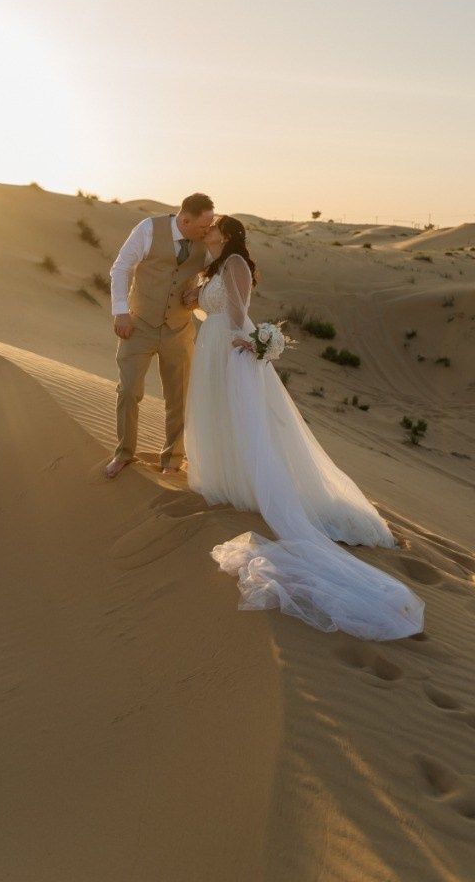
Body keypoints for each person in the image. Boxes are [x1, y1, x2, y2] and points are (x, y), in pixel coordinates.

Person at [184, 215, 424, 640]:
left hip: (229, 346)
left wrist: (248, 341)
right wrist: (195, 298)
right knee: (218, 415)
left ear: (228, 232)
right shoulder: (216, 264)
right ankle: (229, 478)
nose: (208, 230)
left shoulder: (235, 262)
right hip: (212, 343)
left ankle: (267, 490)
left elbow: (238, 310)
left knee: (247, 421)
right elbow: (216, 306)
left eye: (214, 226)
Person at [104, 193, 214, 479]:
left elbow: (219, 278)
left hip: (179, 329)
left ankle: (172, 460)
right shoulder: (148, 229)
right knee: (128, 391)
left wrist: (201, 294)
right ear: (185, 220)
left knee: (178, 397)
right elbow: (120, 268)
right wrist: (120, 312)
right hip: (138, 325)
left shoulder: (207, 240)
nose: (208, 230)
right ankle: (124, 454)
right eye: (203, 226)